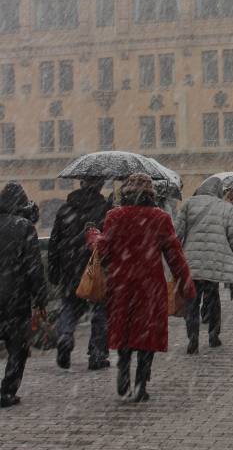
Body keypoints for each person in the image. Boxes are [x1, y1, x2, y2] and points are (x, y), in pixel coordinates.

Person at [89, 174, 194, 402]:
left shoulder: (114, 216)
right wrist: (186, 283)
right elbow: (175, 254)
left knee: (124, 330)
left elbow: (104, 252)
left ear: (125, 192)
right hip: (150, 286)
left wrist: (95, 238)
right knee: (147, 333)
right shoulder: (160, 218)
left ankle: (123, 370)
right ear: (151, 194)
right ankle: (141, 383)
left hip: (121, 284)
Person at [48, 176, 111, 371]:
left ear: (81, 183)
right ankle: (97, 353)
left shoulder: (65, 209)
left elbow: (54, 242)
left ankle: (65, 336)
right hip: (95, 266)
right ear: (100, 185)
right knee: (101, 309)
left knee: (69, 305)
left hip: (70, 266)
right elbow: (109, 241)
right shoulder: (105, 210)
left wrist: (53, 269)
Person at [175, 179, 233, 354]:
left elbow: (177, 233)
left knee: (192, 301)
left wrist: (176, 256)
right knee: (213, 298)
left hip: (192, 260)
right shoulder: (227, 208)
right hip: (215, 260)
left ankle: (193, 338)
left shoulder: (188, 204)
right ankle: (213, 335)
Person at [0, 182, 48, 408]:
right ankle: (7, 391)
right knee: (17, 347)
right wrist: (40, 296)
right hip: (15, 295)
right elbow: (34, 267)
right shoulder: (24, 227)